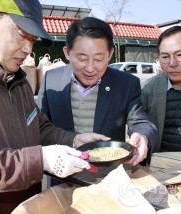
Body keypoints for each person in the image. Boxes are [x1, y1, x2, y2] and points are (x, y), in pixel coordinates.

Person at [0, 1, 110, 213]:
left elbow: (39, 128)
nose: (28, 49)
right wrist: (39, 160)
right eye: (20, 34)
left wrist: (74, 140)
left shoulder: (20, 82)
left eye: (33, 40)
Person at [37, 17, 158, 166]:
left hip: (108, 175)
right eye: (82, 58)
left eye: (99, 59)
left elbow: (140, 121)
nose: (90, 68)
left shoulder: (126, 83)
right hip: (63, 173)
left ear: (110, 54)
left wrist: (142, 136)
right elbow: (40, 129)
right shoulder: (51, 79)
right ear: (67, 53)